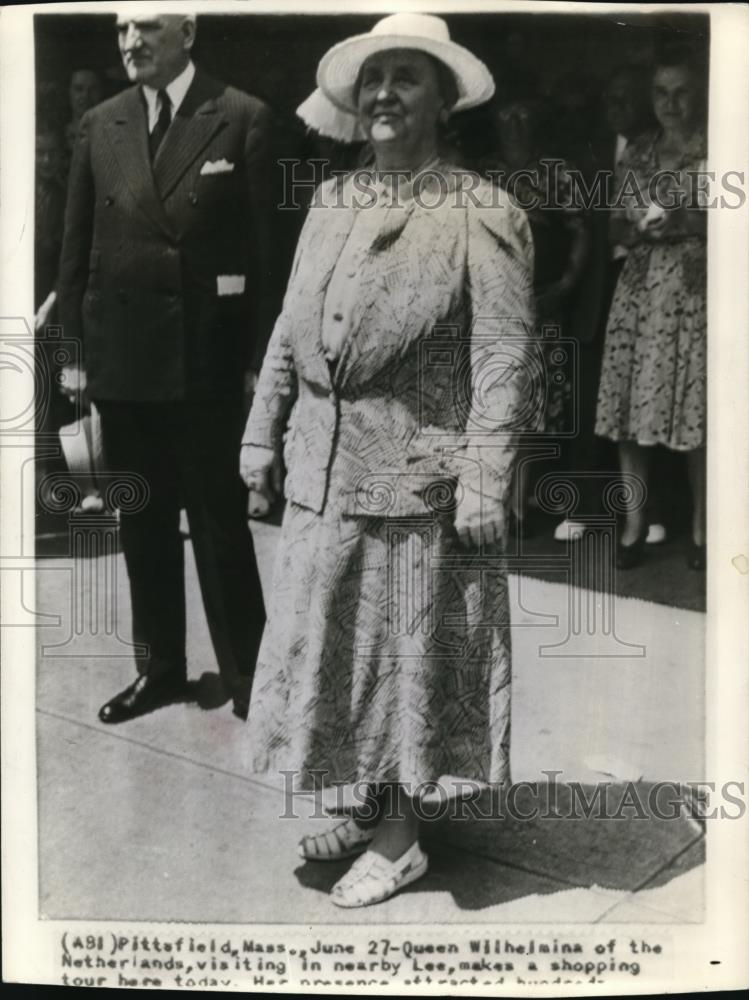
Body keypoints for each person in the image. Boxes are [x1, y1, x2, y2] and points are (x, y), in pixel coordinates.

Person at [240, 13, 535, 908]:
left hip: (415, 479)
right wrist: (261, 432)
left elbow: (504, 357)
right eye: (372, 78)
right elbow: (290, 328)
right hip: (323, 470)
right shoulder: (332, 199)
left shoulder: (481, 211)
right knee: (340, 651)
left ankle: (403, 839)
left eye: (406, 77)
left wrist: (486, 474)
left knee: (401, 659)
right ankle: (373, 804)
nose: (383, 94)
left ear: (442, 99)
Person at [57, 9, 273, 722]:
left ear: (188, 33)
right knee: (141, 521)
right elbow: (76, 247)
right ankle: (162, 672)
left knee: (218, 525)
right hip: (122, 355)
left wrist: (257, 360)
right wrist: (76, 355)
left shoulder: (239, 116)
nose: (130, 42)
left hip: (204, 359)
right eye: (122, 30)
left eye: (147, 27)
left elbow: (266, 254)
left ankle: (251, 679)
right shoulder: (102, 121)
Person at [594, 55, 707, 570]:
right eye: (661, 92)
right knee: (628, 415)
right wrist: (635, 228)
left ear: (698, 94)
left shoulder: (718, 147)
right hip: (639, 294)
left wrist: (683, 220)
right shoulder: (637, 152)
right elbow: (614, 227)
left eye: (680, 91)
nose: (670, 103)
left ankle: (706, 529)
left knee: (694, 413)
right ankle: (634, 527)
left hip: (692, 292)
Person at [477, 96, 589, 533]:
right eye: (507, 112)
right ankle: (492, 499)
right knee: (490, 395)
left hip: (541, 303)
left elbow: (580, 232)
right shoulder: (481, 173)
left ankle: (519, 503)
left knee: (534, 403)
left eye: (523, 111)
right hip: (489, 305)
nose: (515, 121)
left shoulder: (557, 172)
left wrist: (565, 286)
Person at [555, 65, 652, 543]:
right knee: (590, 395)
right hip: (597, 286)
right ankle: (584, 507)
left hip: (647, 283)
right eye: (612, 96)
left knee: (644, 399)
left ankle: (650, 512)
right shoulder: (588, 155)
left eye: (629, 95)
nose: (620, 105)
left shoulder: (658, 150)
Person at [65, 68, 104, 160]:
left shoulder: (108, 138)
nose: (85, 95)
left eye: (92, 89)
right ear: (69, 92)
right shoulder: (57, 136)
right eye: (78, 89)